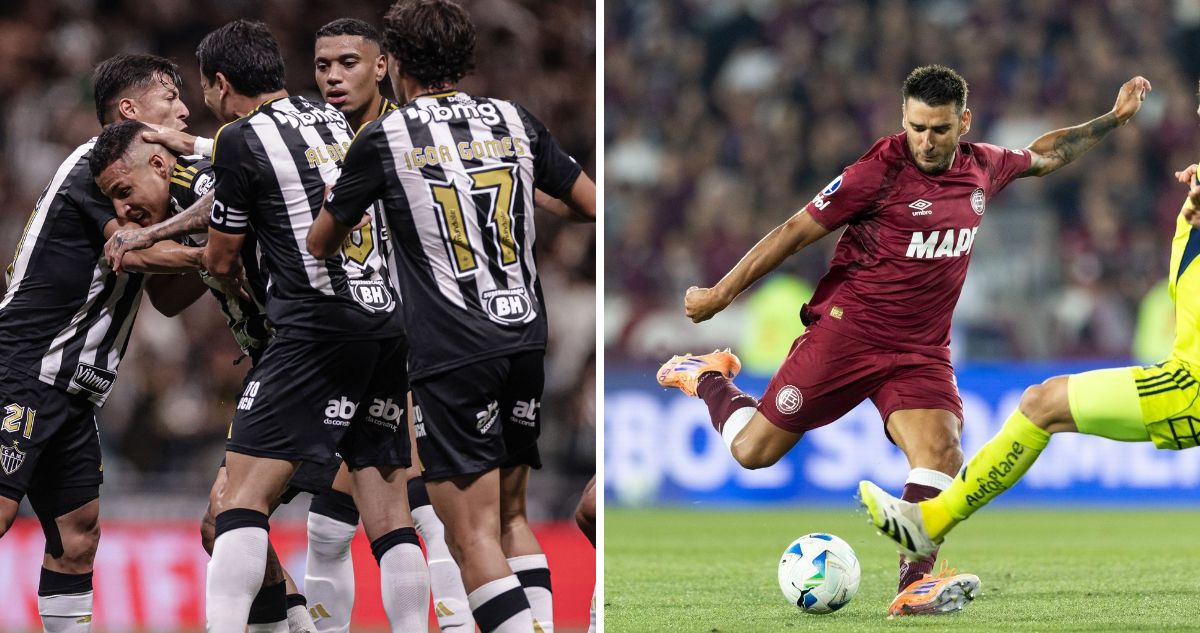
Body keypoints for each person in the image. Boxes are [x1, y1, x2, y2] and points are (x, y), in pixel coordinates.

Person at [656, 64, 1150, 616]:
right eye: (917, 126)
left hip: (921, 350)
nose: (926, 140)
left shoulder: (984, 166)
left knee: (941, 450)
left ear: (964, 122)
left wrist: (1113, 119)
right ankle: (707, 378)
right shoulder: (876, 172)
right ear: (904, 118)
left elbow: (1049, 154)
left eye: (939, 129)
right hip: (849, 334)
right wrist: (723, 293)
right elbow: (795, 231)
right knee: (753, 453)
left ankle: (912, 586)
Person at [307, 1, 595, 631]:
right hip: (524, 339)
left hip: (453, 350)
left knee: (470, 539)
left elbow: (320, 242)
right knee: (512, 516)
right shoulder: (512, 120)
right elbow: (590, 204)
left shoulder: (385, 138)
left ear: (396, 63)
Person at [858, 140, 1200, 572]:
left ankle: (930, 521)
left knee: (1044, 405)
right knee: (1043, 403)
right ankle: (929, 521)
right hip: (1186, 373)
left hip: (1192, 388)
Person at [192, 20, 425, 633]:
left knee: (239, 500)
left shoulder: (239, 139)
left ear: (220, 84)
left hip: (316, 328)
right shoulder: (335, 122)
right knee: (390, 513)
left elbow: (219, 257)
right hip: (385, 324)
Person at [0, 53, 207, 632]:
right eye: (170, 96)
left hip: (74, 390)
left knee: (77, 534)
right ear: (130, 110)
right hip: (26, 369)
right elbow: (134, 251)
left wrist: (212, 262)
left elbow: (166, 297)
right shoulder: (95, 166)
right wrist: (216, 250)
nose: (184, 108)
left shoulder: (150, 178)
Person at [89, 119, 319, 632]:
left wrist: (156, 235)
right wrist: (201, 257)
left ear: (155, 161)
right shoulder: (192, 200)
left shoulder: (198, 173)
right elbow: (170, 301)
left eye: (125, 191)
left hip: (302, 359)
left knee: (230, 518)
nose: (123, 209)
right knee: (239, 524)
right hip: (293, 358)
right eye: (113, 201)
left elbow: (219, 201)